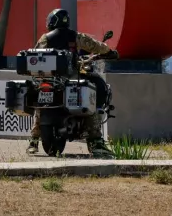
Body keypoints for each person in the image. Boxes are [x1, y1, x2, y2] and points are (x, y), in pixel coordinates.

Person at [26, 8, 118, 159]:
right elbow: (95, 45)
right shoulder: (75, 37)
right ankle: (96, 141)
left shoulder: (44, 38)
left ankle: (33, 140)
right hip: (71, 79)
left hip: (49, 79)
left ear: (51, 22)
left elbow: (35, 55)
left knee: (41, 101)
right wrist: (109, 51)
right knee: (89, 98)